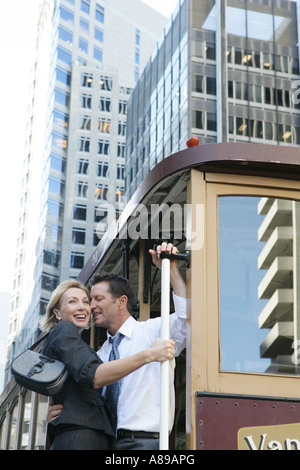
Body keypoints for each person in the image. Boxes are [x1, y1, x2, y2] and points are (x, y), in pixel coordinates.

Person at [48, 242, 187, 450]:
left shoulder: (151, 331)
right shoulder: (99, 354)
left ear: (121, 302)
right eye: (89, 300)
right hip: (107, 443)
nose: (91, 306)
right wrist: (60, 412)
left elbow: (188, 320)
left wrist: (172, 269)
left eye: (97, 299)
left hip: (147, 441)